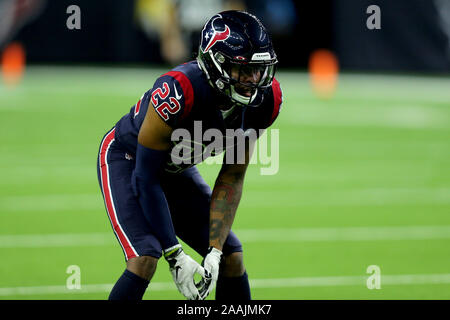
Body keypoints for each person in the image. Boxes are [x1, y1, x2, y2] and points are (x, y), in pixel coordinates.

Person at [97, 10, 282, 300]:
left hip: (175, 168)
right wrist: (174, 254)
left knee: (232, 258)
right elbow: (145, 177)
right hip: (129, 159)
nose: (253, 79)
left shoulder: (264, 101)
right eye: (243, 69)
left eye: (258, 69)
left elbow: (233, 176)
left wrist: (216, 250)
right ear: (215, 63)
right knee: (145, 257)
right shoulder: (180, 89)